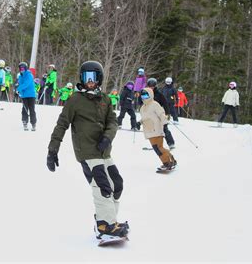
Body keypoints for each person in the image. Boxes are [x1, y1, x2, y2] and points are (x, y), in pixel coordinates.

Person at [47, 61, 129, 241]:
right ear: (82, 79)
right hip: (87, 151)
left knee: (117, 184)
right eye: (86, 77)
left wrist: (108, 137)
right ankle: (103, 225)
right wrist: (53, 150)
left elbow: (113, 122)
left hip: (103, 150)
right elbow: (62, 125)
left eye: (93, 78)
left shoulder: (105, 99)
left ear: (99, 79)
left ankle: (111, 221)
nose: (89, 81)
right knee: (102, 186)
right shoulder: (75, 100)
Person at [139, 88, 177, 171]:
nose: (144, 97)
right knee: (158, 148)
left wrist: (164, 122)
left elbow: (161, 113)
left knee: (159, 148)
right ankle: (171, 159)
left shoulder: (154, 104)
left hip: (156, 130)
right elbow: (145, 118)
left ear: (150, 95)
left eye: (146, 95)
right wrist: (139, 122)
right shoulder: (142, 108)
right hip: (149, 131)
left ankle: (167, 163)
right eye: (143, 95)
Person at [144, 78, 176, 149]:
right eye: (150, 85)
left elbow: (165, 104)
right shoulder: (146, 93)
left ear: (155, 86)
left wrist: (167, 114)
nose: (151, 87)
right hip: (151, 115)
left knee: (164, 128)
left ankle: (171, 143)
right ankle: (156, 145)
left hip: (159, 114)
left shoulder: (159, 94)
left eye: (153, 86)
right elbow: (142, 103)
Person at [17, 62, 37, 131]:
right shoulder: (20, 76)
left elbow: (26, 84)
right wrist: (20, 92)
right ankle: (24, 122)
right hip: (24, 96)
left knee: (32, 109)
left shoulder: (29, 75)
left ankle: (33, 123)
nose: (22, 69)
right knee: (24, 109)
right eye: (20, 68)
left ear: (26, 68)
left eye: (23, 68)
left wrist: (19, 89)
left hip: (31, 95)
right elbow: (20, 84)